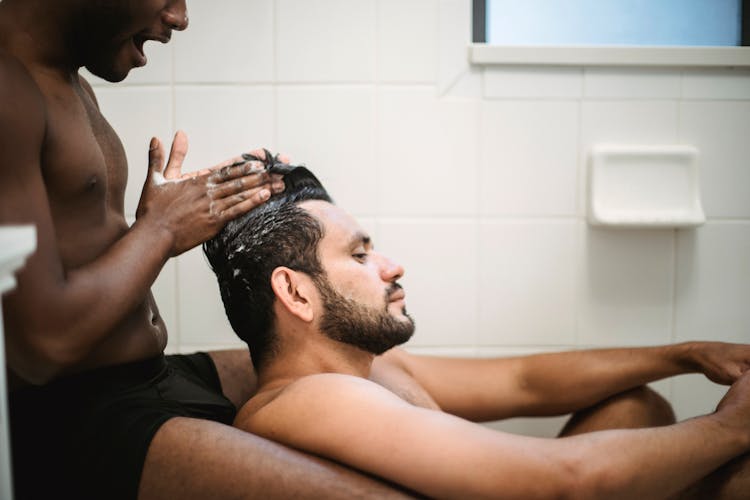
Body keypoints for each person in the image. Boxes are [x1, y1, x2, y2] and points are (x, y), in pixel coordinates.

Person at [0, 1, 412, 499]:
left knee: (367, 371)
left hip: (151, 373)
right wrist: (161, 231)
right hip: (78, 413)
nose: (180, 17)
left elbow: (68, 264)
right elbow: (41, 347)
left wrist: (152, 228)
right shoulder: (8, 89)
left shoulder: (70, 80)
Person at [204, 165, 750, 499]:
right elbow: (566, 482)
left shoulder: (366, 372)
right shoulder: (309, 401)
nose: (392, 267)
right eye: (360, 254)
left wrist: (687, 354)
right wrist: (732, 429)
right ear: (296, 293)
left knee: (634, 405)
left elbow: (524, 381)